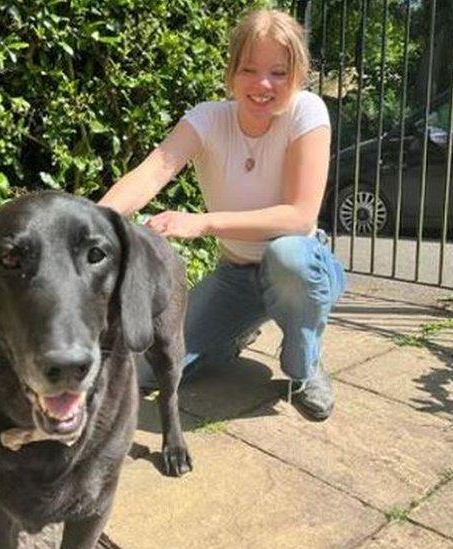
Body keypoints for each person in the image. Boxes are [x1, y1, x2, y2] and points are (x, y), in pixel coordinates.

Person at [98, 8, 345, 421]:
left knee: (289, 258)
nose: (263, 84)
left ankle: (304, 366)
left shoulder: (308, 112)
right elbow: (151, 172)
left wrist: (203, 222)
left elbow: (301, 217)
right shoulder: (208, 119)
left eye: (278, 72)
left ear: (297, 75)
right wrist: (89, 222)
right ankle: (233, 332)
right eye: (249, 69)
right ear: (232, 74)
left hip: (299, 269)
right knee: (148, 370)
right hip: (236, 273)